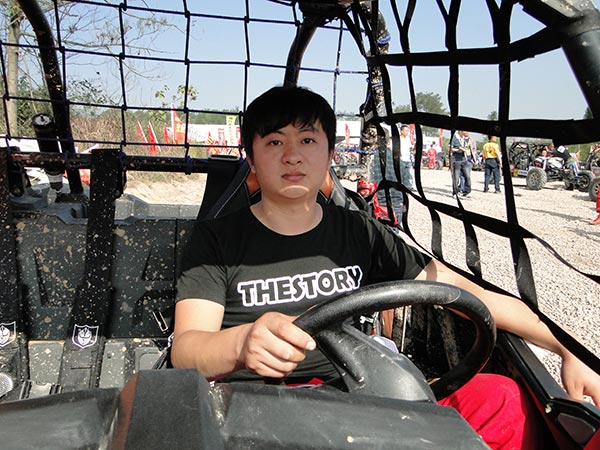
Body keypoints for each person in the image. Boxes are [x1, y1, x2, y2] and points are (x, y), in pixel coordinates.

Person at [172, 86, 600, 449]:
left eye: (307, 140)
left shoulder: (359, 230)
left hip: (361, 396)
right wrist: (242, 343)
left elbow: (463, 291)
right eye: (273, 142)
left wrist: (568, 348)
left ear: (330, 153)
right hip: (261, 413)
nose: (292, 156)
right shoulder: (217, 240)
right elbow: (187, 349)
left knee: (503, 398)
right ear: (250, 158)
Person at [450, 130, 472, 197]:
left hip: (464, 160)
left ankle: (466, 191)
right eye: (465, 131)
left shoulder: (464, 139)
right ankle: (455, 192)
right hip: (456, 160)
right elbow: (450, 149)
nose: (467, 133)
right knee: (456, 178)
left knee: (467, 176)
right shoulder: (454, 138)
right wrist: (458, 150)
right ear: (461, 131)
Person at [398, 124, 415, 190]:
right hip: (401, 159)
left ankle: (408, 187)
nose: (407, 132)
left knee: (409, 174)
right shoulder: (398, 139)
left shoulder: (408, 139)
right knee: (402, 174)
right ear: (401, 131)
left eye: (408, 131)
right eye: (406, 131)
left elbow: (410, 148)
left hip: (408, 159)